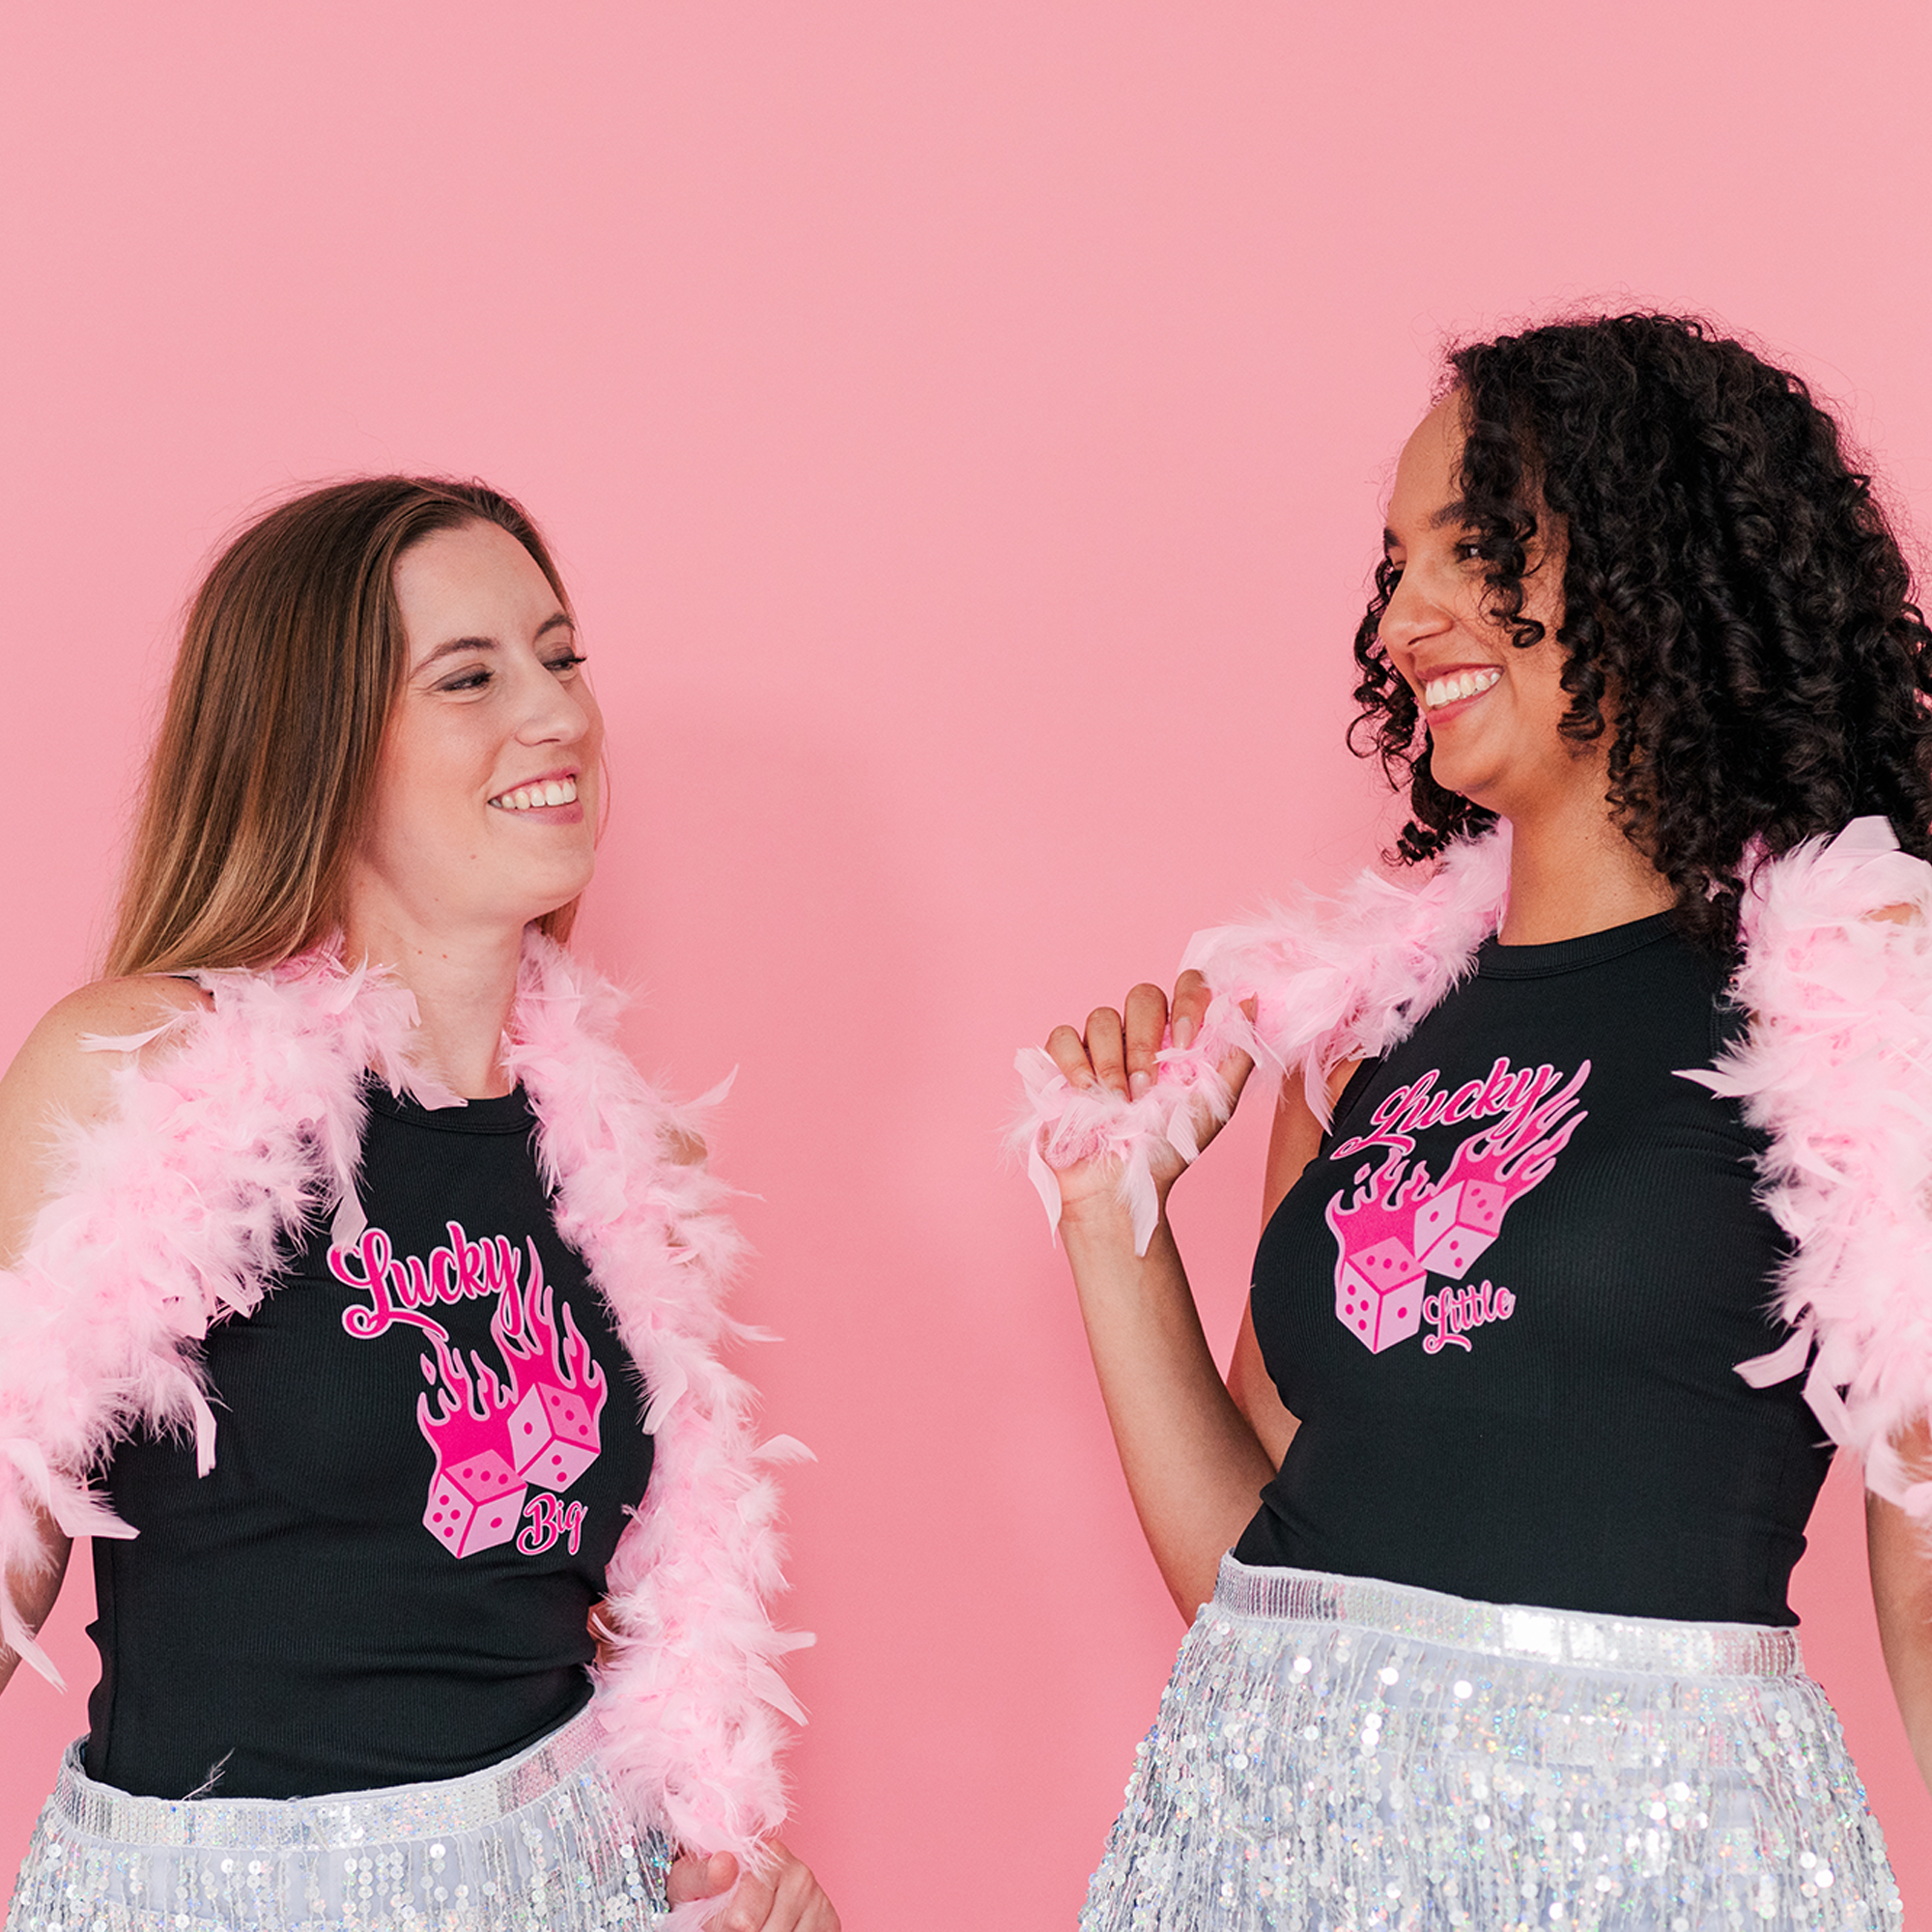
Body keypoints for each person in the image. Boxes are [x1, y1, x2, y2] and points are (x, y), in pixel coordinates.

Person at [1018, 314, 1932, 1927]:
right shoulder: (1363, 1041)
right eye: (1393, 564)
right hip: (1262, 1859)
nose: (1404, 615)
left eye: (1477, 546)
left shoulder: (1853, 1018)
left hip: (1656, 1876)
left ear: (1664, 563)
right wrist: (1115, 1224)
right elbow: (1251, 1565)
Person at [0, 479, 838, 1932]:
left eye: (562, 656)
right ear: (316, 747)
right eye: (470, 676)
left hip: (573, 1883)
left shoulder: (624, 1165)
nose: (558, 712)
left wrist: (728, 1879)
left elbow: (634, 1619)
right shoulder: (145, 1073)